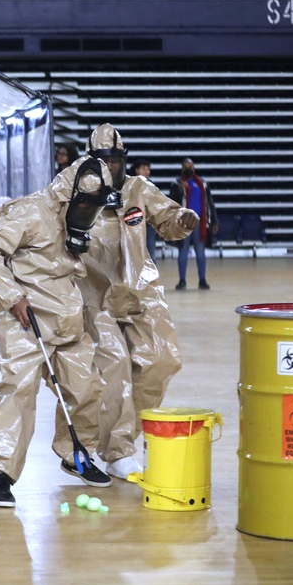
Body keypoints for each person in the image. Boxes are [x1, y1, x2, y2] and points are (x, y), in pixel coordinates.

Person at [0, 156, 114, 508]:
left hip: (66, 316)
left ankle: (76, 455)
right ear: (69, 196)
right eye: (84, 205)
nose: (88, 212)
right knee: (17, 391)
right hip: (25, 318)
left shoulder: (77, 222)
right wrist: (13, 297)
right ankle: (1, 475)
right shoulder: (29, 212)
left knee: (87, 387)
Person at [77, 124, 199, 480]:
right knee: (113, 367)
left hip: (139, 289)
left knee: (161, 360)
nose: (110, 167)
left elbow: (167, 218)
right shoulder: (71, 190)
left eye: (115, 160)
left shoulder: (138, 189)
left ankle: (128, 435)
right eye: (103, 160)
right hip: (93, 292)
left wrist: (182, 220)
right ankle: (116, 451)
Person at [169, 158, 219, 290]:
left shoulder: (202, 183)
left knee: (200, 252)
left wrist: (214, 220)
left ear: (194, 168)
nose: (188, 168)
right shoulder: (176, 183)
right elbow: (171, 202)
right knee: (183, 252)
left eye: (190, 166)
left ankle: (202, 280)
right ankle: (182, 280)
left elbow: (209, 203)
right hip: (183, 223)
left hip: (199, 222)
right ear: (182, 169)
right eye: (185, 166)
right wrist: (180, 190)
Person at [132, 158, 158, 261]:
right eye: (144, 169)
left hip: (148, 224)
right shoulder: (129, 184)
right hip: (133, 224)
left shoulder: (151, 185)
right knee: (134, 253)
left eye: (148, 169)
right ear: (136, 170)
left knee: (151, 253)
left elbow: (155, 205)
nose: (147, 172)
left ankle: (151, 276)